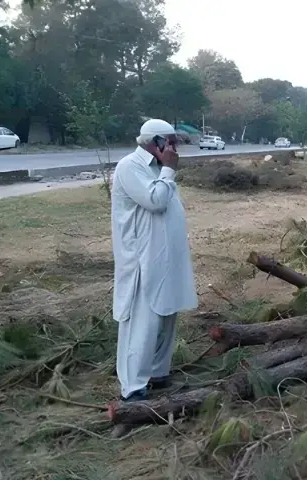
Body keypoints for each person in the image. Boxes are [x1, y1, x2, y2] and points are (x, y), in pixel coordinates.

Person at [111, 118, 198, 402]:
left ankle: (158, 373)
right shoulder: (130, 167)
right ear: (155, 142)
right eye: (170, 141)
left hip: (165, 257)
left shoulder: (160, 169)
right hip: (141, 259)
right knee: (142, 321)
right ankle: (133, 387)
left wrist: (166, 170)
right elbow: (156, 201)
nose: (174, 148)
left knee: (167, 313)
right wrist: (170, 171)